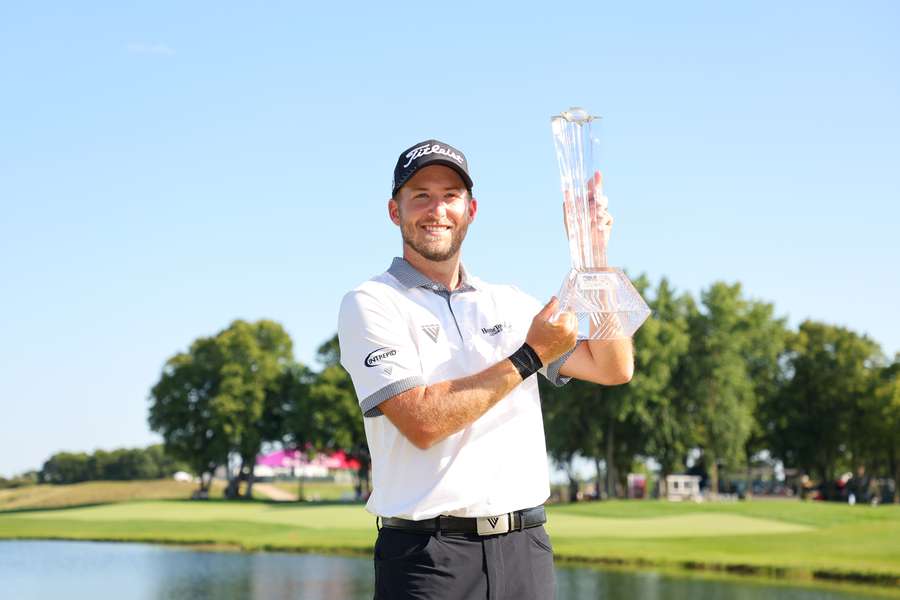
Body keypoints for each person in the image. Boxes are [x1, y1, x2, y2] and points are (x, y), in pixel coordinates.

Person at [337, 139, 634, 599]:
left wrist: (594, 258)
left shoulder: (510, 303)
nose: (437, 209)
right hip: (427, 557)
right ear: (395, 211)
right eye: (421, 196)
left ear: (470, 210)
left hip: (525, 550)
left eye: (450, 196)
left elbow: (612, 366)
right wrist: (528, 357)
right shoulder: (371, 303)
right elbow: (421, 421)